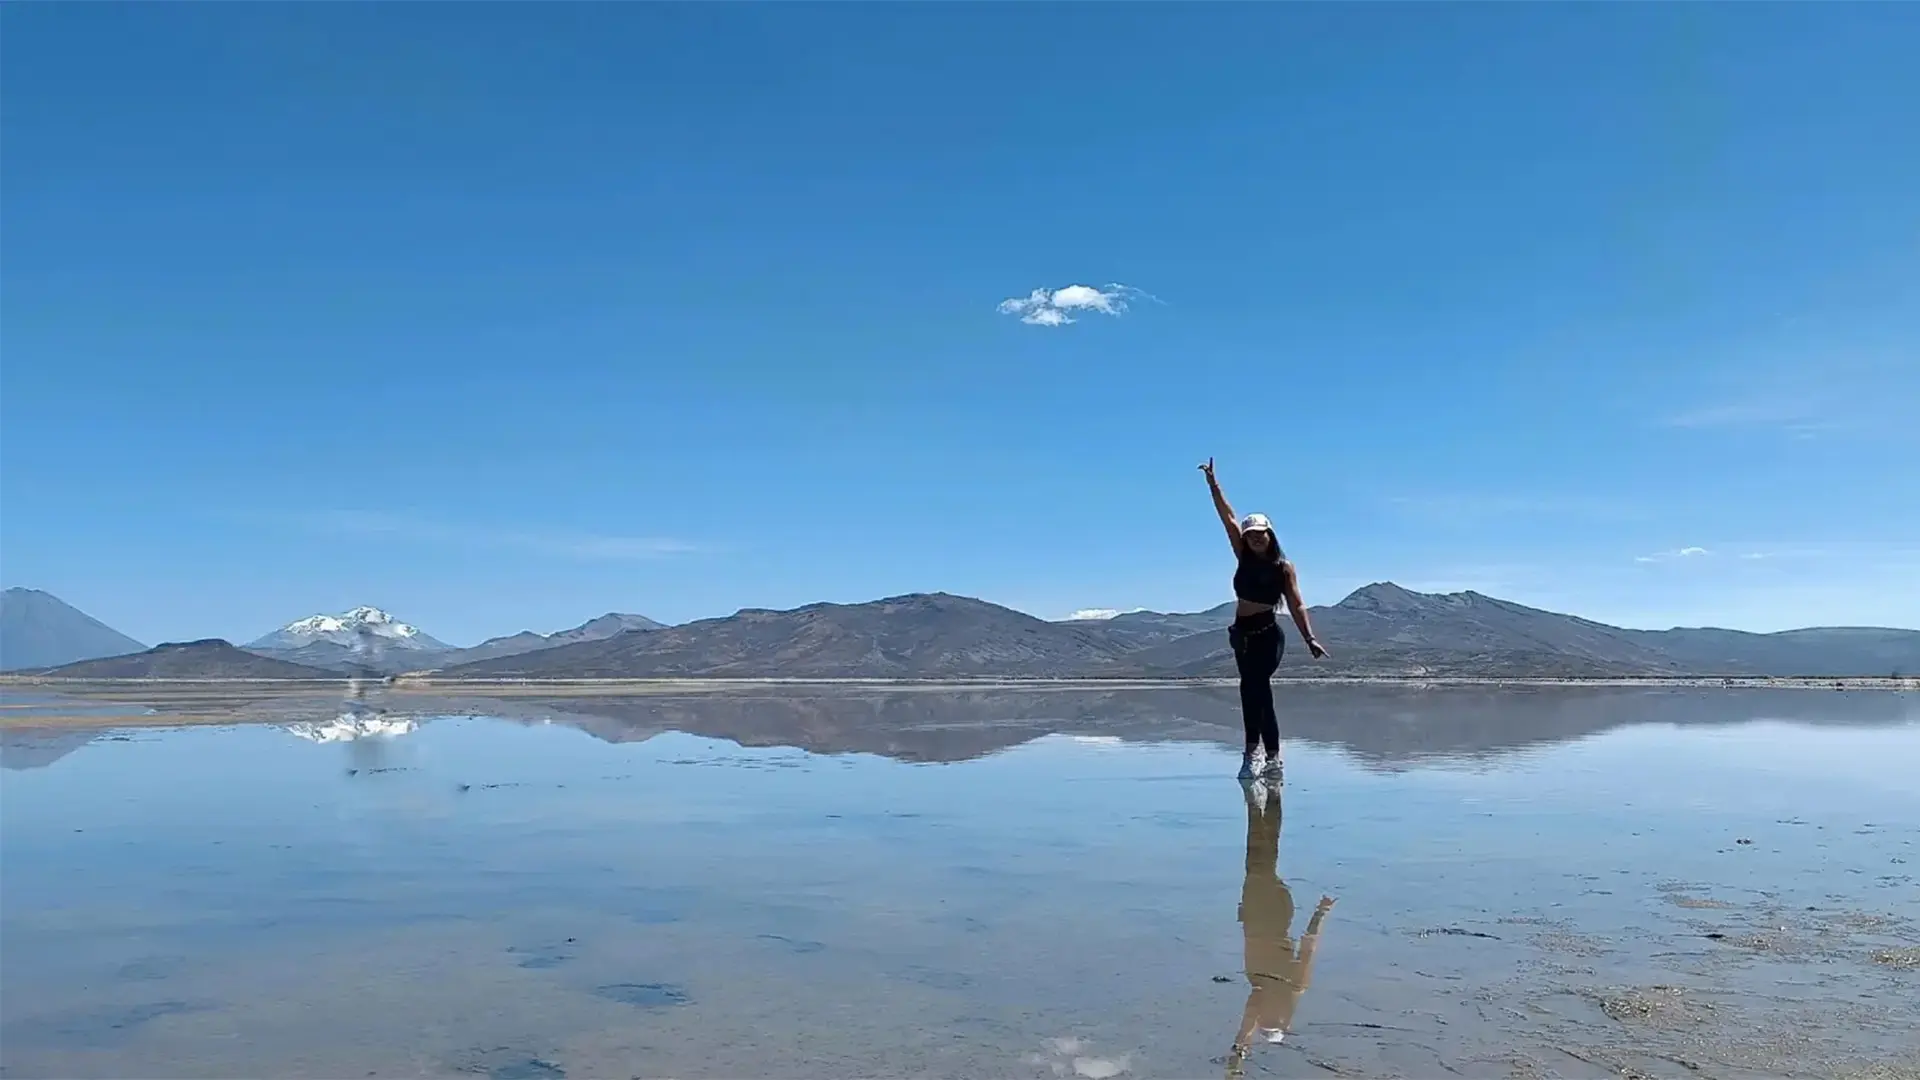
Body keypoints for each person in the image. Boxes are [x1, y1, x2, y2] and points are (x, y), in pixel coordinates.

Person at [1199, 458, 1328, 780]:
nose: (1255, 538)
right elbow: (1227, 517)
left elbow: (1296, 604)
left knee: (1253, 688)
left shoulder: (1283, 568)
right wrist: (1214, 485)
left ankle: (1253, 754)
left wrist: (1310, 638)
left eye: (1261, 533)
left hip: (1269, 635)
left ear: (1270, 535)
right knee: (1256, 692)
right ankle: (1271, 757)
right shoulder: (1242, 556)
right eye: (1250, 534)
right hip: (1242, 635)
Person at [1225, 782, 1334, 1078]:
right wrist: (1320, 912)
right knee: (1259, 859)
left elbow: (1309, 943)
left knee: (1263, 858)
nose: (1264, 1017)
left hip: (1270, 912)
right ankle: (1261, 798)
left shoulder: (1277, 988)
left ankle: (1267, 797)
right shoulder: (1273, 987)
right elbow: (1309, 944)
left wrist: (1239, 1055)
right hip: (1262, 913)